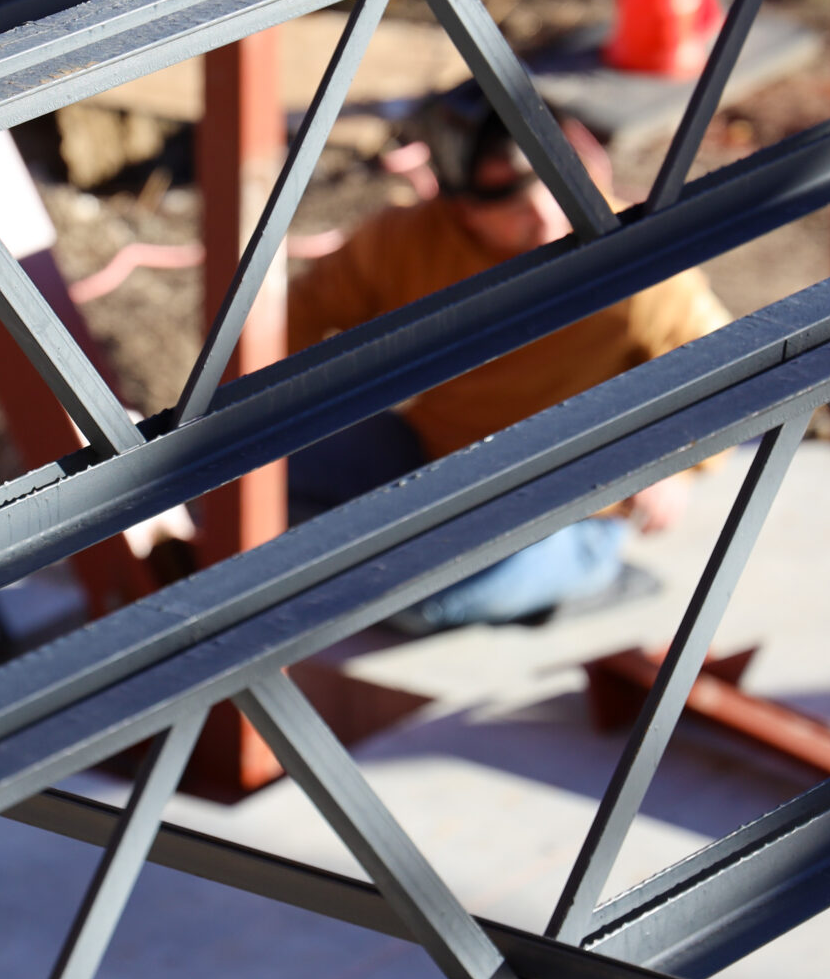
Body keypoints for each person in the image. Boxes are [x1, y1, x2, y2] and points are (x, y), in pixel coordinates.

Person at [286, 83, 732, 632]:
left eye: (556, 189)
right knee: (238, 478)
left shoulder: (637, 261)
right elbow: (294, 321)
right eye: (514, 204)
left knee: (419, 597)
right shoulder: (405, 244)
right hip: (434, 460)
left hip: (564, 509)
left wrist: (679, 464)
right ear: (463, 207)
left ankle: (589, 572)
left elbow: (726, 367)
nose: (545, 217)